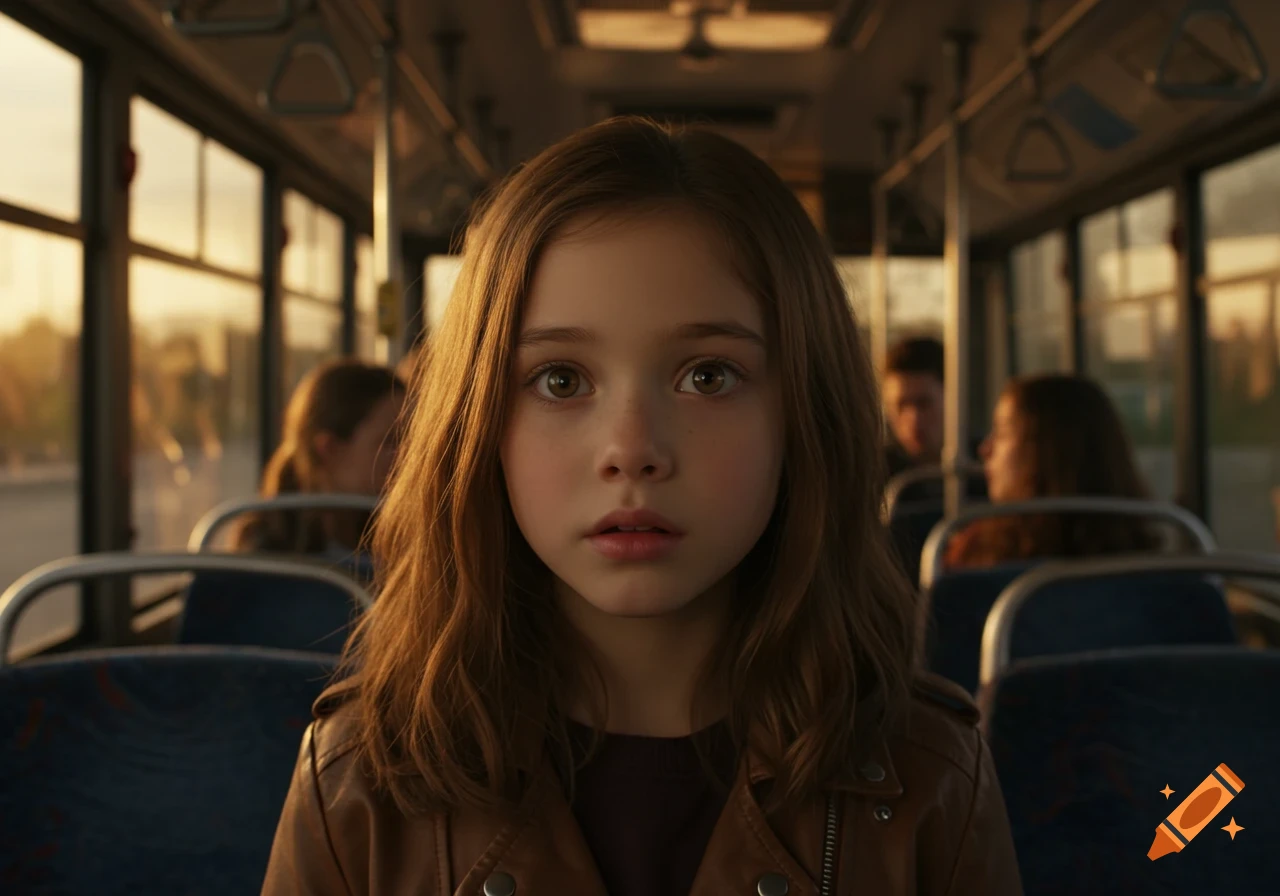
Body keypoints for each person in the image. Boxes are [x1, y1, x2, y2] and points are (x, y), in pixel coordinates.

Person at [262, 118, 1022, 894]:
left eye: (708, 377)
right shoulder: (357, 786)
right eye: (560, 380)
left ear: (804, 418)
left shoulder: (931, 781)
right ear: (481, 426)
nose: (631, 448)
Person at [945, 373, 1159, 569]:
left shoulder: (976, 552)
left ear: (1045, 453)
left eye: (1001, 433)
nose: (985, 449)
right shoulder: (1150, 565)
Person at [232, 359, 405, 562]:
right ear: (329, 449)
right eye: (392, 441)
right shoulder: (265, 562)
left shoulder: (398, 547)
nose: (408, 456)